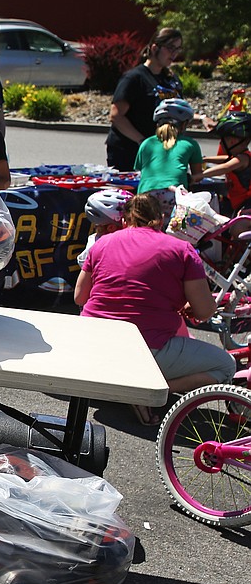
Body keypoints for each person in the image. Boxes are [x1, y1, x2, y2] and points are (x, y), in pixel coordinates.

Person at [74, 192, 234, 425]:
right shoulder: (181, 250)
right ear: (160, 219)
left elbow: (80, 298)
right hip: (143, 348)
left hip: (94, 347)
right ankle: (150, 394)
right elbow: (204, 312)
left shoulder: (102, 244)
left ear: (125, 221)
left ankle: (127, 385)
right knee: (225, 366)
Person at [106, 27, 185, 172]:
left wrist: (202, 118)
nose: (174, 54)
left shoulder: (171, 79)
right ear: (155, 48)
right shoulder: (135, 78)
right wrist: (143, 141)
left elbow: (178, 110)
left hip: (162, 151)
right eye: (170, 48)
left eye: (178, 49)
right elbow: (116, 115)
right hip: (130, 152)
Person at [136, 98, 202, 216]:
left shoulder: (146, 143)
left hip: (145, 193)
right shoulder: (190, 144)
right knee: (173, 232)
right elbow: (198, 175)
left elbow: (141, 171)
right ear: (184, 124)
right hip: (173, 193)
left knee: (146, 230)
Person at [194, 111, 251, 215]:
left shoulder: (243, 158)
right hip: (238, 203)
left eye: (223, 140)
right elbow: (225, 159)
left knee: (236, 229)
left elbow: (226, 167)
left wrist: (200, 175)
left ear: (232, 141)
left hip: (247, 205)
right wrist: (205, 159)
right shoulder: (238, 156)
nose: (221, 144)